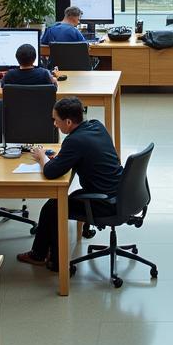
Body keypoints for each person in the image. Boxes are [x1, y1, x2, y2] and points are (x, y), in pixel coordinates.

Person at [17, 96, 123, 269]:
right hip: (119, 192)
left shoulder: (74, 141)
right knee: (59, 203)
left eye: (56, 120)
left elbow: (50, 172)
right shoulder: (96, 125)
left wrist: (42, 157)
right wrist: (61, 158)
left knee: (52, 207)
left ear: (68, 122)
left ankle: (46, 257)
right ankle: (48, 252)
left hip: (104, 202)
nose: (54, 124)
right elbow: (78, 154)